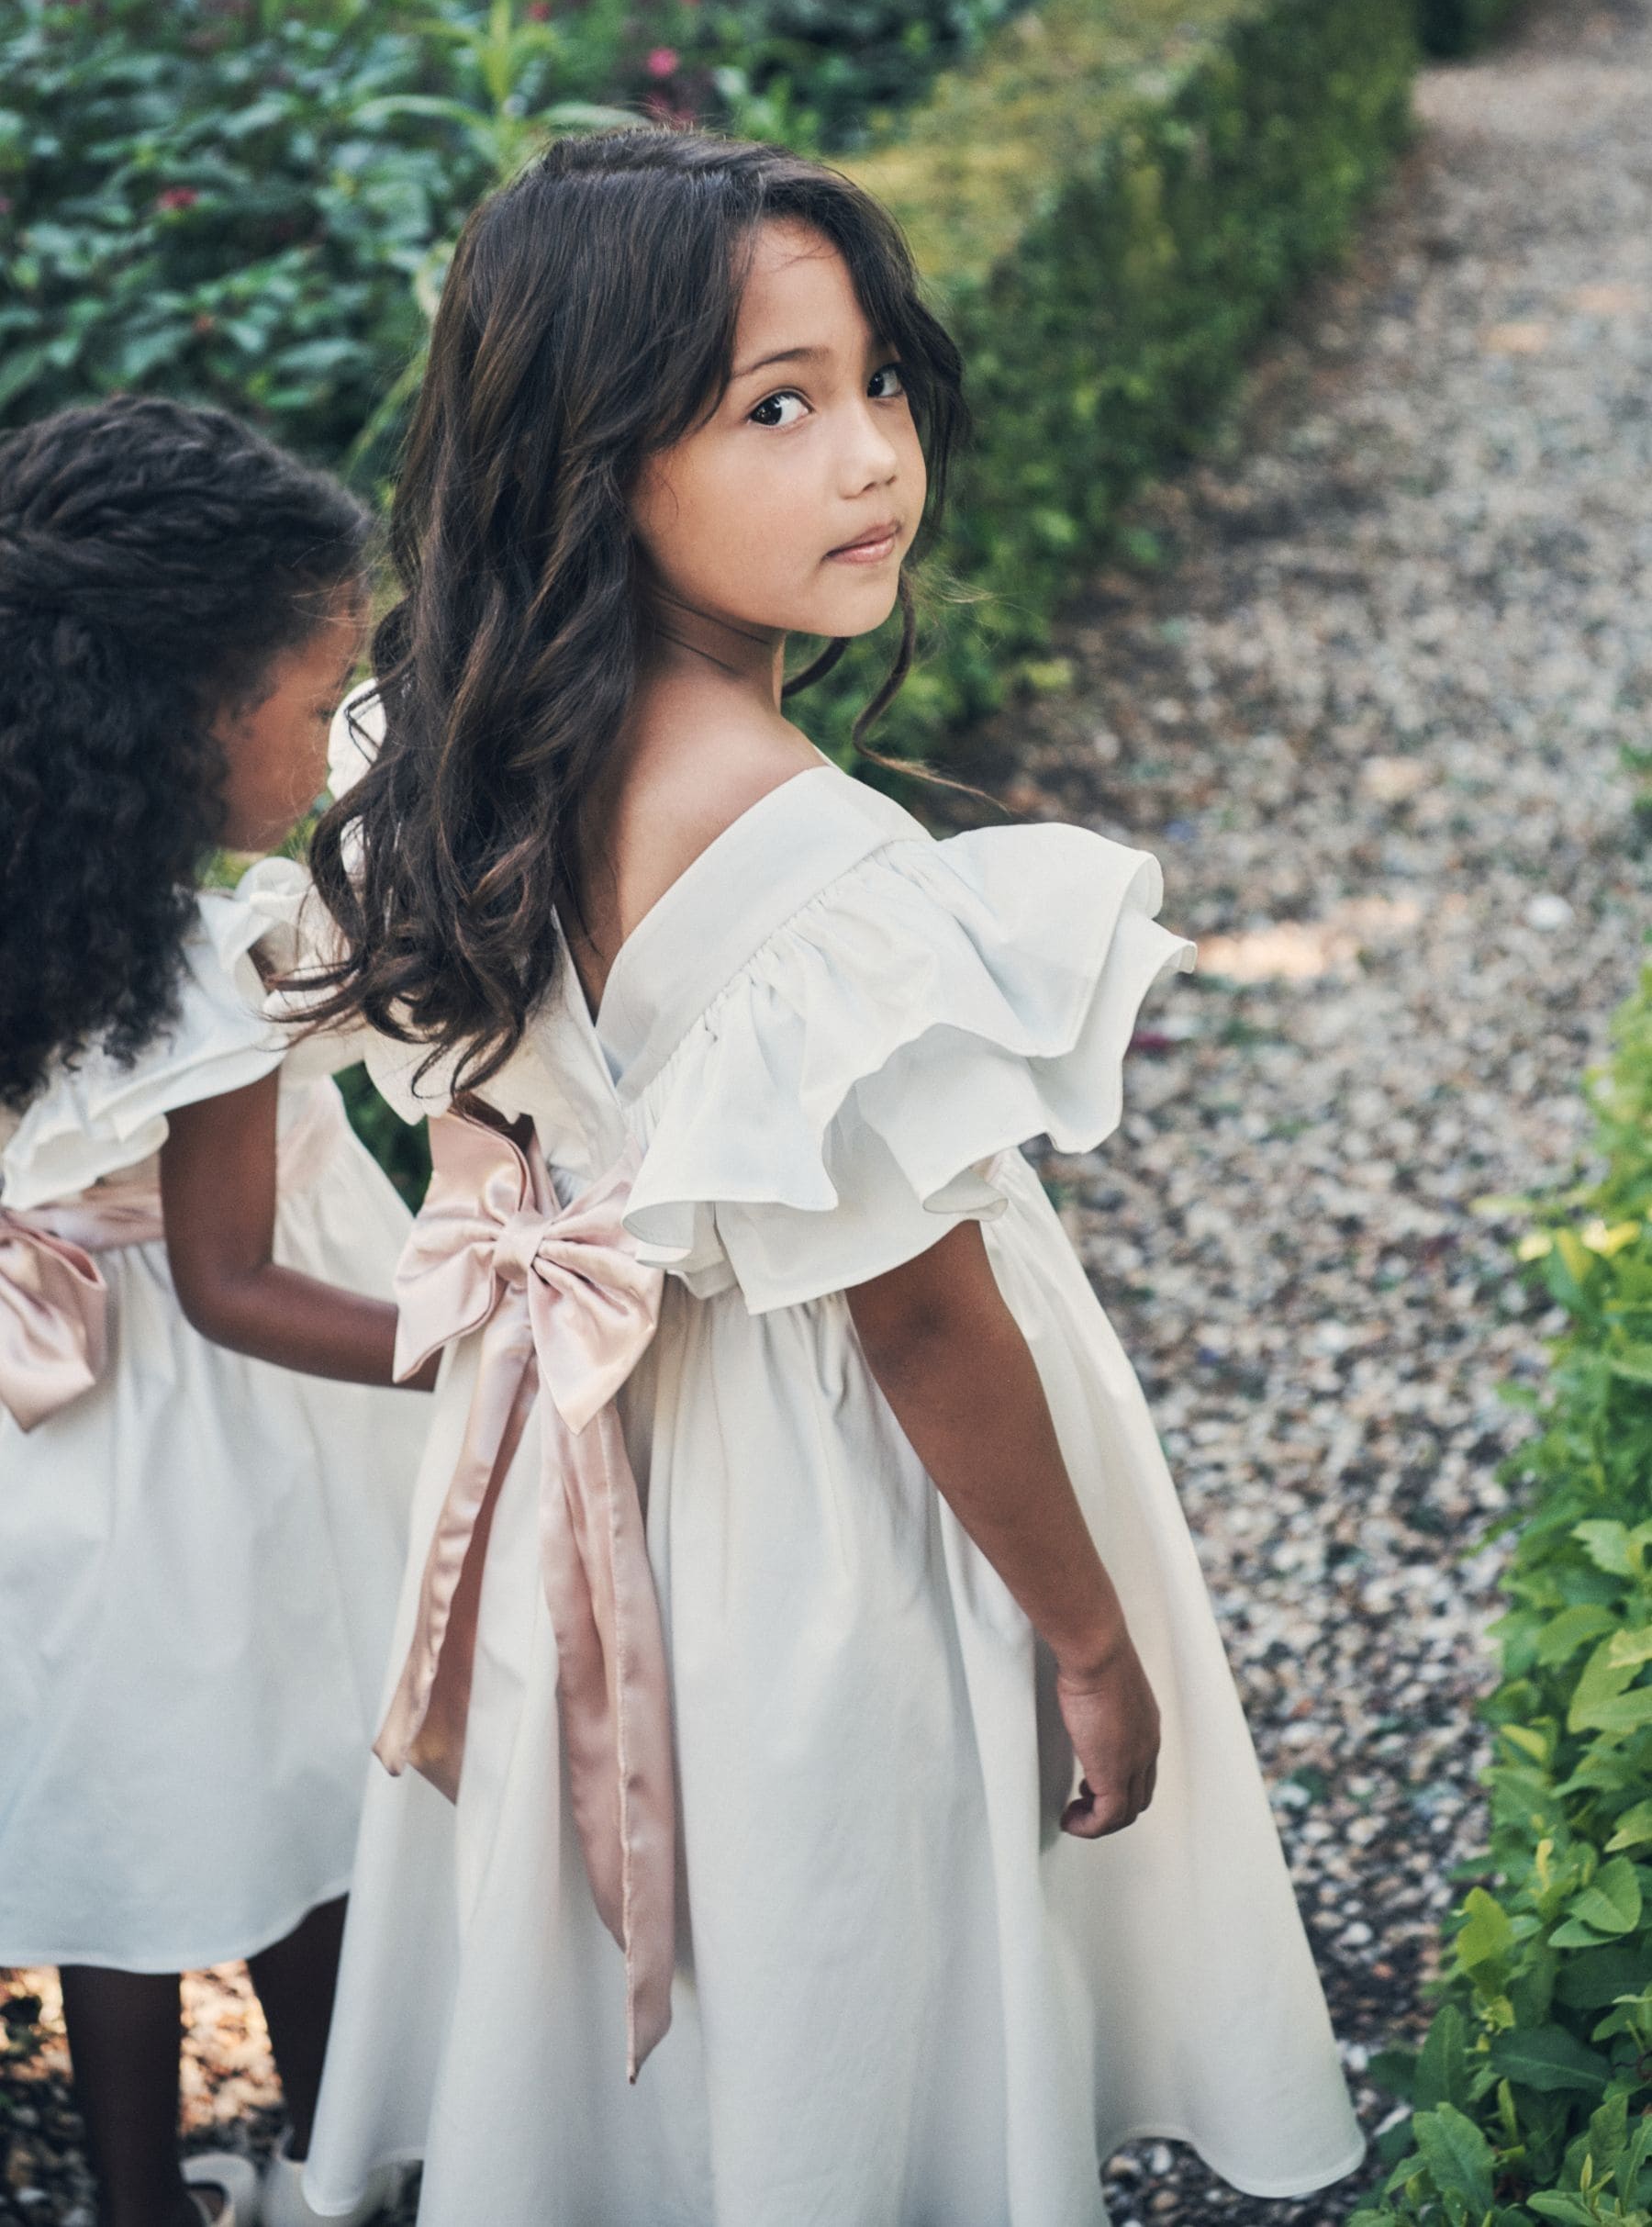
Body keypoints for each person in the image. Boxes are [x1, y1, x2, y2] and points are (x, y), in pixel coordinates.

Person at [299, 129, 1364, 2227]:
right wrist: (1085, 1630)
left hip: (576, 1462)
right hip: (821, 1508)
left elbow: (477, 1115)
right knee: (848, 1944)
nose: (870, 454)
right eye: (774, 407)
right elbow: (920, 1312)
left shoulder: (431, 740)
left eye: (878, 383)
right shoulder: (821, 863)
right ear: (597, 454)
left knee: (658, 1956)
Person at [0, 397, 435, 2227]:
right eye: (313, 696)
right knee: (302, 1793)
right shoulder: (204, 971)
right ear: (191, 709)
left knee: (121, 1802)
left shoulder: (40, 909)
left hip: (62, 1452)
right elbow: (245, 1285)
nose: (334, 748)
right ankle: (342, 2163)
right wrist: (481, 1340)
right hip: (230, 1446)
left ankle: (129, 2197)